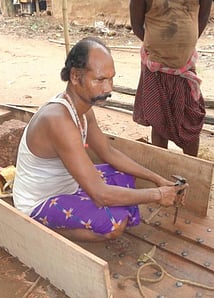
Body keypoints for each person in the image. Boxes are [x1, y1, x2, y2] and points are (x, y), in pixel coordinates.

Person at [12, 37, 188, 242]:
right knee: (114, 224)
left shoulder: (82, 110)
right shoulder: (59, 121)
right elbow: (100, 195)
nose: (108, 88)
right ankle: (46, 229)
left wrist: (157, 179)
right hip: (40, 201)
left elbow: (109, 152)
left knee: (125, 176)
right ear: (76, 77)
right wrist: (158, 194)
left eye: (111, 79)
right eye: (100, 80)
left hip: (69, 185)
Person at [129, 0, 212, 157]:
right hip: (156, 68)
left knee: (191, 119)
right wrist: (157, 47)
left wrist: (187, 43)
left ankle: (191, 166)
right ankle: (161, 167)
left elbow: (203, 16)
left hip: (185, 66)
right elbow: (136, 24)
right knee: (158, 121)